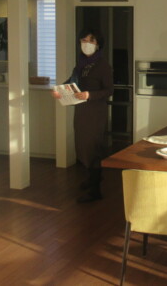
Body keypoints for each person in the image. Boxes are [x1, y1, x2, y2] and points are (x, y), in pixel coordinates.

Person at [52, 28, 113, 203]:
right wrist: (59, 91)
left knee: (92, 147)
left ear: (98, 44)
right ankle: (92, 178)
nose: (87, 44)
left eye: (91, 40)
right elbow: (71, 83)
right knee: (82, 146)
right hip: (81, 111)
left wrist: (89, 95)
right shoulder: (81, 64)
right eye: (84, 40)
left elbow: (109, 90)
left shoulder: (102, 65)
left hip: (95, 112)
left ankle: (95, 190)